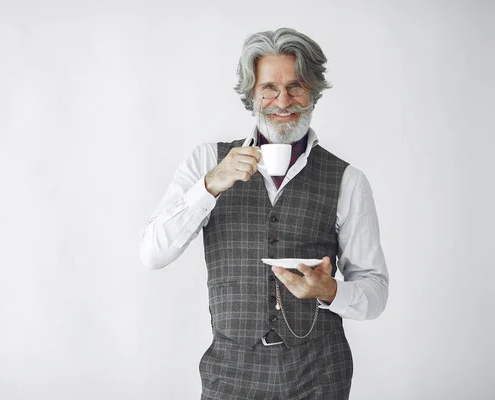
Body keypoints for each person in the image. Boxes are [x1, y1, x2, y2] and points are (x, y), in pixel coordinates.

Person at [140, 27, 389, 400]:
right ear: (251, 94)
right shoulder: (208, 161)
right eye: (269, 88)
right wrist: (211, 185)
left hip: (319, 376)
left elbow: (375, 292)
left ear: (313, 92)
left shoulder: (348, 180)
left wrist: (331, 290)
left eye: (296, 86)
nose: (283, 100)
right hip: (230, 376)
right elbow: (152, 253)